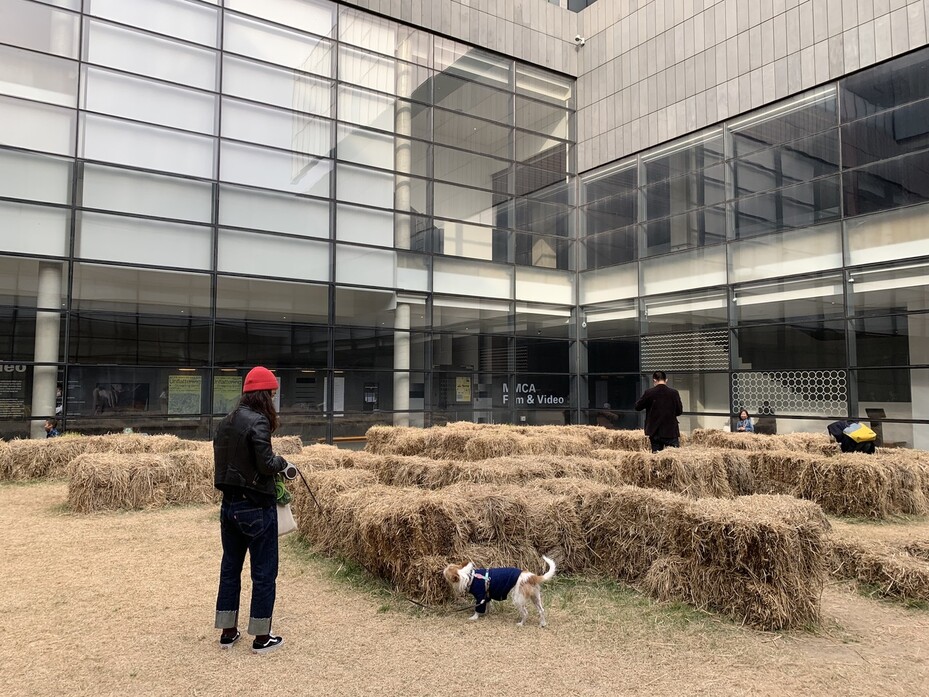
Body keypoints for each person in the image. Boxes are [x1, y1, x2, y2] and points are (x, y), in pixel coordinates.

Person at [213, 366, 290, 654]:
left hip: (229, 506)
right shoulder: (258, 422)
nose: (273, 400)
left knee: (230, 568)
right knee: (264, 571)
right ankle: (261, 636)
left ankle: (228, 631)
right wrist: (282, 462)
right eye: (271, 394)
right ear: (263, 396)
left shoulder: (225, 422)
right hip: (256, 506)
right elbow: (266, 463)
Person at [634, 371, 683, 452]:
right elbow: (679, 411)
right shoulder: (674, 393)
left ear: (654, 380)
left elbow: (638, 407)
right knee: (673, 457)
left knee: (656, 458)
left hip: (655, 431)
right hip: (670, 430)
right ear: (666, 380)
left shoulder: (649, 392)